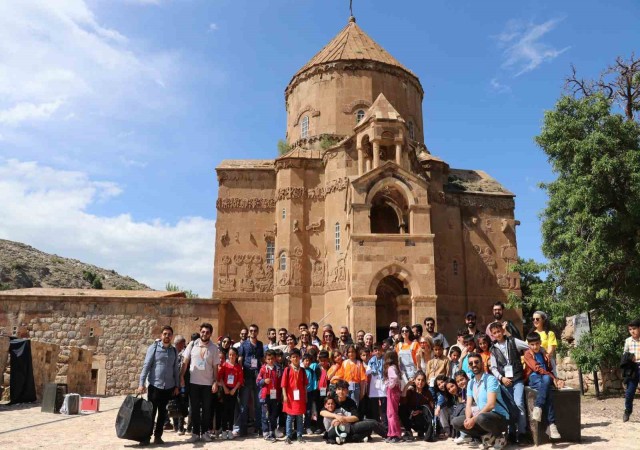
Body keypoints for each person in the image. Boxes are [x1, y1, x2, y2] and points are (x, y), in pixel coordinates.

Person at [452, 353, 509, 450]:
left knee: (480, 418)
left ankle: (500, 436)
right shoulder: (470, 383)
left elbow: (491, 405)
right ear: (469, 367)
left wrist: (473, 419)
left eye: (476, 362)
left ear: (482, 363)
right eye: (471, 363)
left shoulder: (490, 379)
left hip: (500, 417)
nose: (474, 365)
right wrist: (468, 419)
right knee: (456, 422)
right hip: (483, 417)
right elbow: (468, 405)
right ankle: (487, 436)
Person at [137, 325, 180, 446]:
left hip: (168, 387)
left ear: (172, 336)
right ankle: (146, 437)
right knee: (151, 413)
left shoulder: (174, 351)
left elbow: (176, 370)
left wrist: (177, 386)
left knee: (162, 414)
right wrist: (141, 384)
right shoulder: (154, 348)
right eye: (165, 334)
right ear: (161, 335)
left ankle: (158, 436)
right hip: (155, 386)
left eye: (169, 334)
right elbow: (146, 366)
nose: (167, 336)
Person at [180, 322, 220, 443]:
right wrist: (181, 376)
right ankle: (196, 433)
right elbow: (185, 362)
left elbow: (215, 367)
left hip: (207, 383)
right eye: (203, 332)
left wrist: (215, 382)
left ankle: (206, 433)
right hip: (193, 383)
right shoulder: (192, 345)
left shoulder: (214, 348)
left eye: (207, 332)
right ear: (200, 332)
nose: (204, 334)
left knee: (207, 409)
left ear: (210, 334)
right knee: (195, 409)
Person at [489, 321, 528, 442]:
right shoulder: (493, 349)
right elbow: (493, 368)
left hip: (517, 379)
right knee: (509, 407)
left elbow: (528, 346)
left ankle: (522, 432)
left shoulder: (513, 341)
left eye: (499, 331)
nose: (498, 334)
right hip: (505, 381)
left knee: (519, 404)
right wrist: (501, 378)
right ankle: (511, 432)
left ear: (502, 330)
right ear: (492, 335)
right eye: (494, 333)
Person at [523, 332, 562, 439]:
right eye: (532, 344)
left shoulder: (544, 353)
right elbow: (537, 369)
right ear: (528, 345)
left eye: (537, 344)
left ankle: (538, 406)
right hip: (533, 377)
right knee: (547, 387)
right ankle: (552, 425)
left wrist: (556, 379)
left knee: (546, 381)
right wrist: (553, 378)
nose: (535, 346)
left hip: (545, 378)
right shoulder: (527, 354)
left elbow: (548, 369)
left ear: (540, 343)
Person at [237, 323, 264, 436]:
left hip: (257, 376)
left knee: (259, 403)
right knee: (244, 403)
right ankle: (243, 429)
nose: (253, 332)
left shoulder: (260, 344)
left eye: (255, 331)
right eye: (251, 331)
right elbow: (240, 360)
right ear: (249, 332)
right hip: (247, 375)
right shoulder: (244, 344)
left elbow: (262, 359)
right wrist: (240, 375)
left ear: (257, 332)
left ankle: (259, 428)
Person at [281, 348, 308, 444]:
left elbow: (305, 385)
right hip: (290, 397)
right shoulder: (287, 370)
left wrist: (306, 396)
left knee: (300, 417)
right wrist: (284, 396)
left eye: (297, 356)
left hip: (300, 397)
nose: (295, 358)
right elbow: (283, 385)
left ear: (300, 357)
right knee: (290, 417)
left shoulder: (303, 371)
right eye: (293, 357)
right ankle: (288, 436)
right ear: (290, 359)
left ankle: (299, 435)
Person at [399, 370, 436, 441]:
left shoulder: (428, 393)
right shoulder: (411, 391)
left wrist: (420, 411)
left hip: (421, 419)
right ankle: (408, 431)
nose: (420, 382)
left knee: (425, 408)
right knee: (401, 408)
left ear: (425, 382)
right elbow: (402, 401)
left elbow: (431, 408)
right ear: (415, 380)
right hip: (411, 417)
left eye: (422, 380)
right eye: (418, 380)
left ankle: (421, 431)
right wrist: (407, 385)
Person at [217, 346, 243, 440]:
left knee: (231, 411)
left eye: (233, 355)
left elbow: (240, 380)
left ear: (236, 356)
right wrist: (224, 388)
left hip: (233, 390)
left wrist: (234, 389)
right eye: (230, 355)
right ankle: (224, 430)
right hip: (225, 389)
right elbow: (220, 377)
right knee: (224, 411)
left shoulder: (238, 367)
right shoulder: (224, 365)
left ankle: (230, 430)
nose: (231, 356)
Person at [257, 349, 281, 442]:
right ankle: (265, 432)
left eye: (272, 358)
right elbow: (258, 381)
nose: (270, 360)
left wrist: (280, 395)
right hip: (265, 396)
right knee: (265, 415)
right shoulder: (263, 369)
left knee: (273, 415)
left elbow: (279, 382)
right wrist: (264, 381)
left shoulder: (278, 369)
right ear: (265, 359)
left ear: (275, 359)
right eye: (268, 359)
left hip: (274, 396)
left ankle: (272, 431)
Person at [622, 318, 640, 422]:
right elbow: (625, 355)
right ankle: (627, 411)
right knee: (629, 392)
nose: (632, 331)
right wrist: (629, 358)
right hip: (632, 369)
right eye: (630, 329)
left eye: (634, 328)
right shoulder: (628, 341)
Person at [365, 344, 387, 427]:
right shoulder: (371, 360)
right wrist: (372, 369)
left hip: (383, 385)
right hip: (374, 386)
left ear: (382, 350)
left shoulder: (385, 359)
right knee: (375, 408)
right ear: (373, 352)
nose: (377, 352)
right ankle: (376, 425)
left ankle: (385, 425)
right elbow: (367, 371)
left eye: (379, 350)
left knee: (384, 408)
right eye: (375, 350)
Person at [384, 350, 403, 443]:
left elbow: (394, 378)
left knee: (391, 413)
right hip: (395, 391)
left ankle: (395, 434)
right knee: (391, 413)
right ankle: (391, 433)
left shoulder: (391, 368)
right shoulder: (395, 367)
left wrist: (389, 384)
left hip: (392, 391)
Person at [302, 351, 321, 434]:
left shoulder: (312, 371)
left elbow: (314, 384)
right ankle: (298, 427)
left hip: (309, 393)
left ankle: (308, 427)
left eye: (309, 360)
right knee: (299, 410)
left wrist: (313, 394)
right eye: (306, 360)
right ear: (302, 361)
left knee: (308, 411)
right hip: (300, 393)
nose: (307, 362)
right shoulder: (300, 370)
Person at [172, 334, 187, 434]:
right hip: (175, 383)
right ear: (179, 343)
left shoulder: (180, 353)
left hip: (179, 383)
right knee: (176, 403)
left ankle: (179, 426)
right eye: (183, 343)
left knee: (180, 402)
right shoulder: (173, 353)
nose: (184, 345)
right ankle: (178, 426)